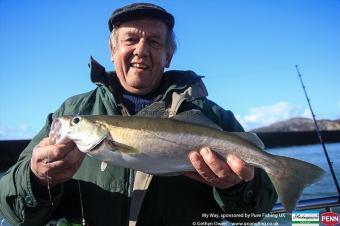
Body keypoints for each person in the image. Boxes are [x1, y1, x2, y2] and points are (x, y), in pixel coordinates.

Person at [0, 3, 277, 226]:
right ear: (112, 51)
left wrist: (235, 188)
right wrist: (36, 178)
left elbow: (254, 213)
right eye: (130, 39)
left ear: (168, 56)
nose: (141, 50)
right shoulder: (71, 110)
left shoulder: (211, 114)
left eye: (154, 42)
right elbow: (15, 215)